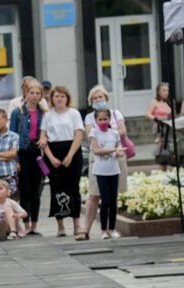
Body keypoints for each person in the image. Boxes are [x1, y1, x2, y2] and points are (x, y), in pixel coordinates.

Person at [76, 85, 128, 241]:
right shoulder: (89, 117)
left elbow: (123, 131)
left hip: (116, 159)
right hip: (98, 160)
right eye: (95, 98)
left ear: (106, 98)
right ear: (91, 101)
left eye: (101, 97)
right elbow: (91, 136)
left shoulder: (115, 113)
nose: (98, 100)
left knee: (113, 197)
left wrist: (108, 132)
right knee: (94, 195)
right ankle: (86, 230)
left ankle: (111, 228)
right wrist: (108, 137)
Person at [39, 86, 84, 237]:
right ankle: (60, 226)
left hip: (72, 151)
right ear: (52, 98)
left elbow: (79, 135)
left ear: (67, 98)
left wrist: (70, 156)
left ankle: (77, 225)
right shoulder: (48, 115)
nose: (59, 99)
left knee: (73, 187)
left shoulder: (74, 113)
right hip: (53, 152)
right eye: (57, 96)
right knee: (56, 188)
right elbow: (43, 138)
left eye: (62, 96)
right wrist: (51, 158)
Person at [9, 80, 46, 235]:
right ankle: (25, 223)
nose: (34, 96)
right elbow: (12, 136)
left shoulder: (43, 112)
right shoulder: (18, 112)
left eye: (37, 93)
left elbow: (46, 131)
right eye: (32, 93)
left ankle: (34, 224)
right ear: (26, 94)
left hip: (37, 152)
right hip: (23, 151)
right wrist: (15, 160)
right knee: (25, 189)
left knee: (36, 189)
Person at [88, 109, 123, 240]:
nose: (103, 121)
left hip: (114, 170)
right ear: (96, 120)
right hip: (101, 171)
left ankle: (112, 229)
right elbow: (96, 150)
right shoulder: (94, 132)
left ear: (109, 120)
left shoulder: (115, 133)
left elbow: (120, 148)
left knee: (113, 201)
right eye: (100, 119)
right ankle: (104, 230)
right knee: (105, 200)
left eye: (105, 119)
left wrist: (119, 152)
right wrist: (113, 149)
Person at [146, 82, 173, 170]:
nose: (166, 92)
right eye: (163, 90)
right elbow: (148, 114)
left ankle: (165, 169)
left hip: (167, 127)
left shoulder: (168, 102)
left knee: (167, 148)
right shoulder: (154, 102)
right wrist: (157, 120)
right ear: (158, 91)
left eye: (167, 90)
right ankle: (162, 169)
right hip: (159, 127)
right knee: (161, 148)